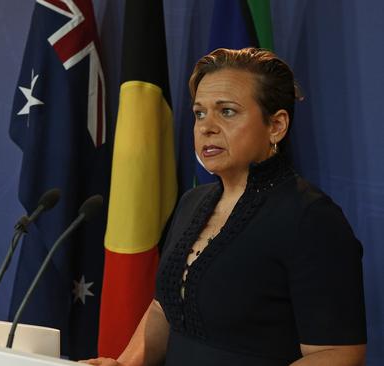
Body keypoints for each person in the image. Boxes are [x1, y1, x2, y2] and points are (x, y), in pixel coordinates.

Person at [84, 48, 367, 365]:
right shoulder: (192, 203)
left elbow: (339, 353)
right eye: (199, 113)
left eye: (227, 112)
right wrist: (124, 364)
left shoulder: (311, 218)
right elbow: (164, 307)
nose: (207, 127)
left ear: (276, 125)